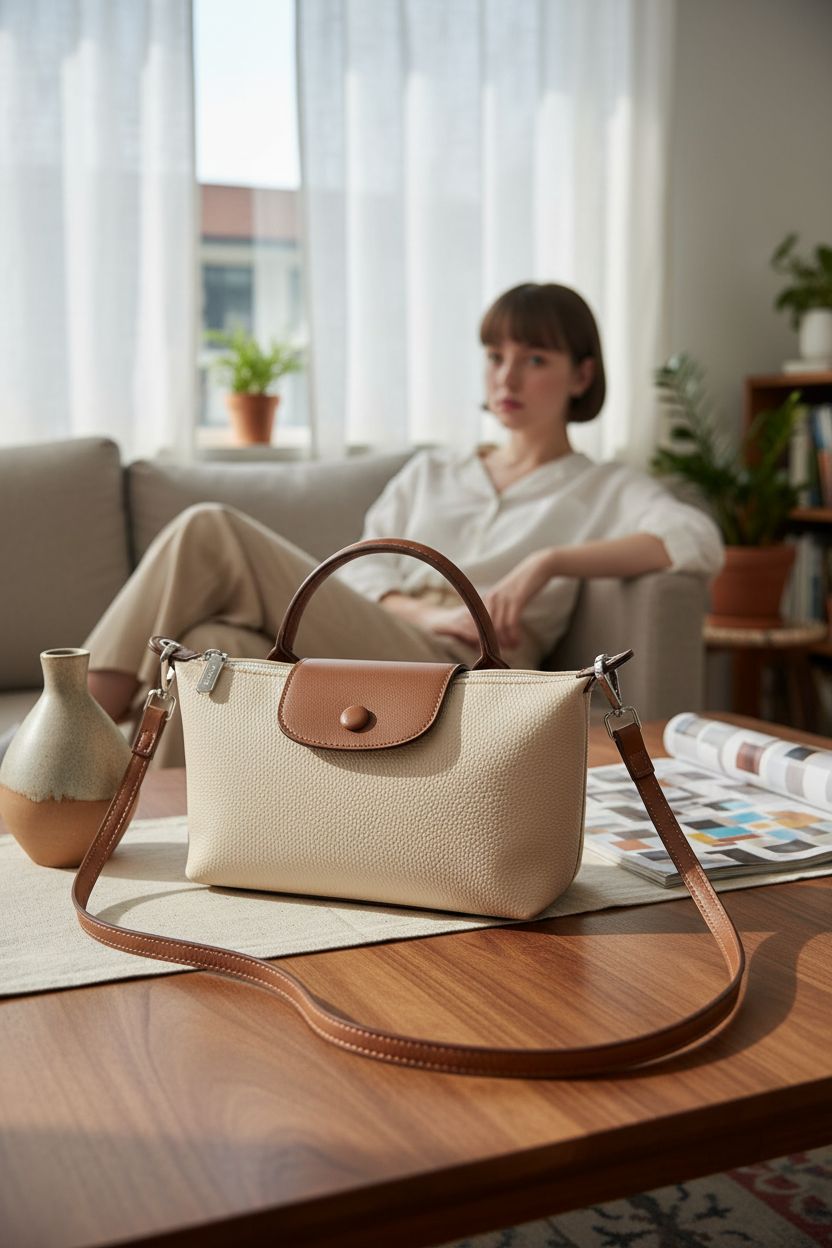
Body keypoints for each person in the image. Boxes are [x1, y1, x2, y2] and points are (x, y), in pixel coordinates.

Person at [85, 282, 723, 765]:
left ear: (582, 374)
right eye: (496, 355)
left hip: (469, 672)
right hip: (394, 634)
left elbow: (696, 539)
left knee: (209, 528)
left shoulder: (605, 488)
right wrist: (423, 615)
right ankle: (154, 823)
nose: (507, 375)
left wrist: (548, 563)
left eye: (534, 359)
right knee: (211, 642)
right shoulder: (433, 472)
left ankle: (74, 728)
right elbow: (366, 571)